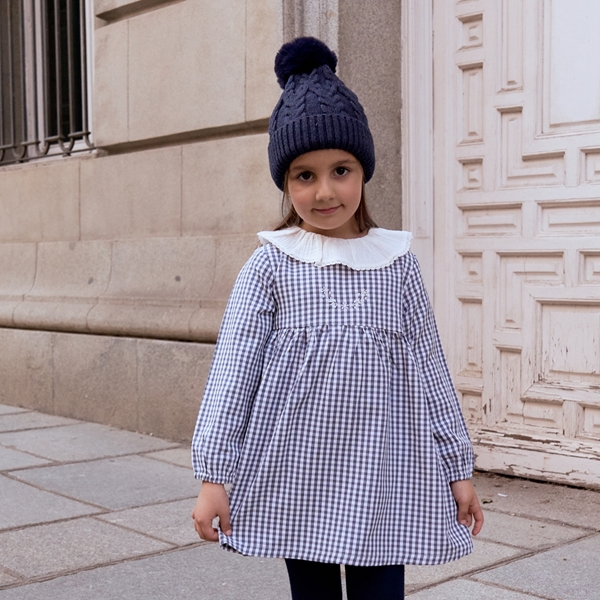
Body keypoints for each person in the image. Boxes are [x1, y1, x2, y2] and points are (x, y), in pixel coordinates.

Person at [191, 36, 483, 600]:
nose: (325, 191)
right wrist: (213, 476)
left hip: (385, 476)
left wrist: (457, 467)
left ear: (363, 170)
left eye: (341, 170)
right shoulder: (270, 267)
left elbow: (430, 370)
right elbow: (232, 376)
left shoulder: (396, 266)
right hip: (300, 476)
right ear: (285, 182)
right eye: (304, 175)